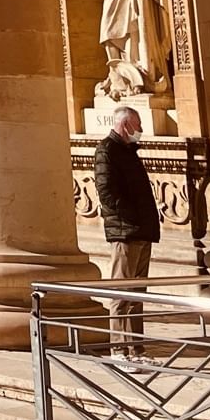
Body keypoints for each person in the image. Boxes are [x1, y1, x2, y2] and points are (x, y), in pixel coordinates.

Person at [93, 104, 161, 363]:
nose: (140, 130)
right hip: (125, 231)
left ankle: (137, 349)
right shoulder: (107, 151)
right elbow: (107, 193)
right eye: (137, 125)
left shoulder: (129, 151)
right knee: (121, 292)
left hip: (142, 229)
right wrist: (131, 218)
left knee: (137, 293)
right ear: (125, 125)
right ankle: (119, 349)